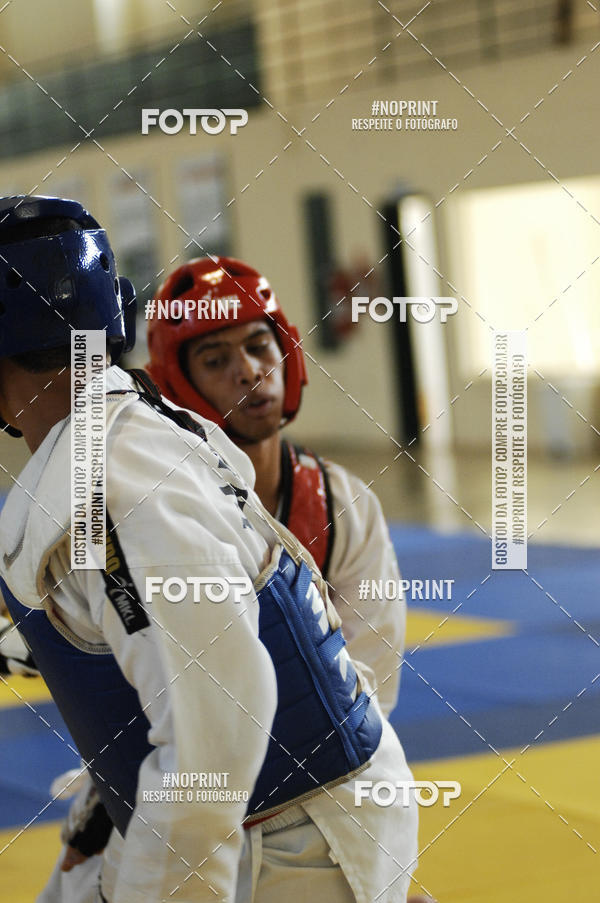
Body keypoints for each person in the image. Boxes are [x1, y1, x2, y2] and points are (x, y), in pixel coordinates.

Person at [0, 196, 418, 902]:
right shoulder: (124, 438)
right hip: (208, 799)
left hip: (291, 831)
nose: (248, 373)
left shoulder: (114, 488)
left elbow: (216, 727)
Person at [147, 256, 405, 718]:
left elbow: (373, 686)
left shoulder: (345, 506)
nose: (249, 371)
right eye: (216, 360)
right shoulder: (157, 512)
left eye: (259, 346)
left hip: (331, 750)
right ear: (178, 384)